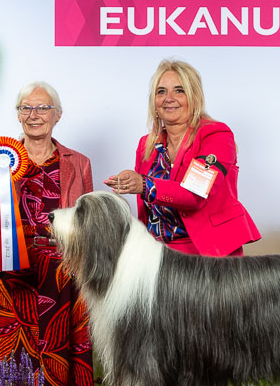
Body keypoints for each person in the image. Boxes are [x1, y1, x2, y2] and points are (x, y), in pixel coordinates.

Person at [0, 81, 95, 386]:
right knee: (5, 359)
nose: (34, 114)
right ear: (18, 115)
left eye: (43, 108)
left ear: (58, 115)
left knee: (59, 357)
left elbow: (87, 226)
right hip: (8, 273)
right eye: (26, 108)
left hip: (62, 274)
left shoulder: (79, 163)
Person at [104, 59, 260, 256]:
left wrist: (144, 184)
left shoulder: (216, 135)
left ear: (194, 97)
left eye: (179, 90)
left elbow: (194, 195)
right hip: (156, 254)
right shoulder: (146, 144)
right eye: (161, 92)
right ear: (154, 101)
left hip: (209, 254)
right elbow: (147, 213)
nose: (168, 98)